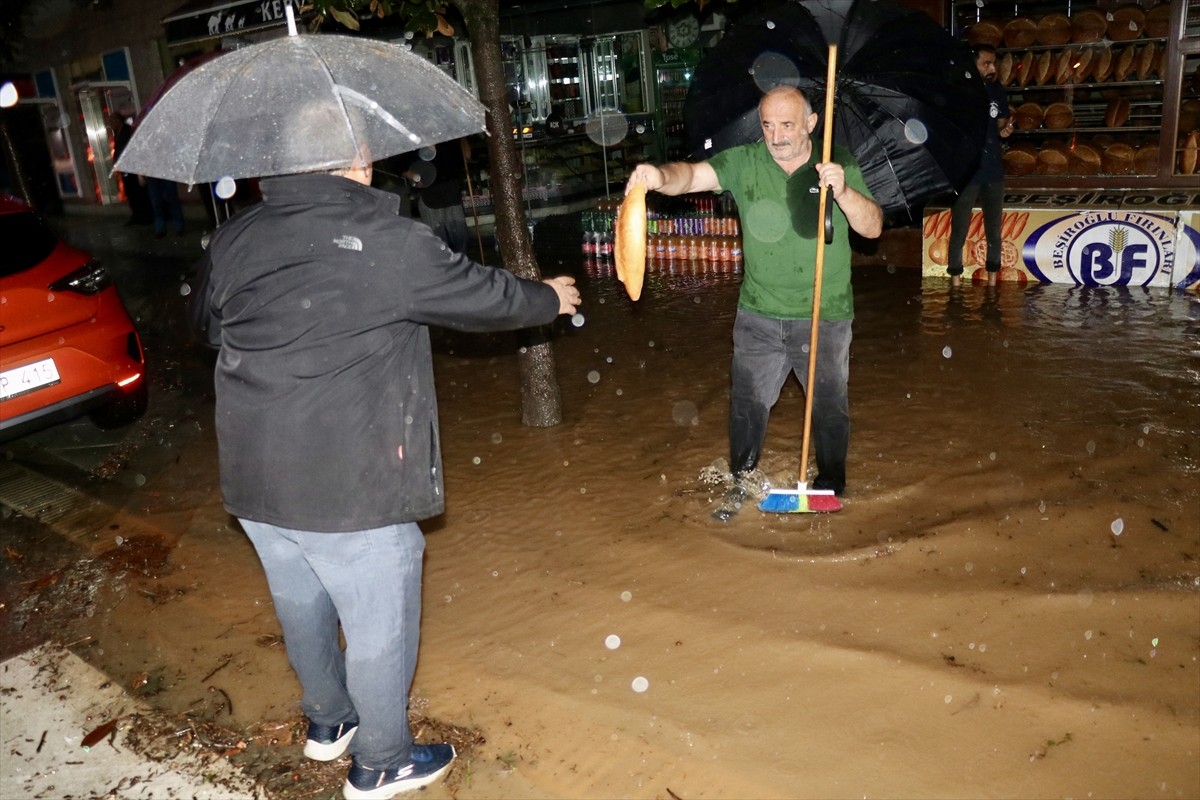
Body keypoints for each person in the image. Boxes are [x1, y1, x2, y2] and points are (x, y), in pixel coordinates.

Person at [189, 149, 580, 799]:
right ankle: (382, 759)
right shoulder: (389, 242)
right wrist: (548, 298)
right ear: (358, 165)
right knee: (378, 616)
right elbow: (483, 298)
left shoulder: (235, 237)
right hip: (348, 479)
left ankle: (329, 721)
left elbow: (205, 326)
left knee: (301, 601)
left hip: (254, 472)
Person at [626, 86, 882, 518]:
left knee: (829, 408)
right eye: (767, 125)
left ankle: (831, 485)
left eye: (787, 125)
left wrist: (842, 192)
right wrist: (657, 177)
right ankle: (741, 481)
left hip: (825, 313)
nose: (776, 136)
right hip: (758, 314)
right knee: (746, 406)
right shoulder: (744, 162)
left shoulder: (838, 164)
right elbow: (690, 176)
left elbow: (873, 229)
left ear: (811, 124)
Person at [947, 43, 1014, 288]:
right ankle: (955, 282)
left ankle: (993, 282)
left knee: (994, 230)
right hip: (966, 171)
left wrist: (1006, 128)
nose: (992, 67)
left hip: (993, 168)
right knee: (960, 229)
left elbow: (1000, 123)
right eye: (986, 63)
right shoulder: (958, 90)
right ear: (973, 64)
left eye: (993, 63)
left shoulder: (996, 90)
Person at [408, 138, 470, 254]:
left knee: (460, 239)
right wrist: (412, 175)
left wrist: (462, 138)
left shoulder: (450, 138)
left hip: (451, 192)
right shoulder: (415, 140)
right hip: (429, 195)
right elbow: (403, 168)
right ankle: (443, 269)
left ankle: (460, 267)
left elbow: (466, 156)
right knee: (438, 242)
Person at [109, 113, 152, 226]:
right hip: (125, 168)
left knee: (137, 192)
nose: (111, 124)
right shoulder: (117, 133)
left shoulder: (127, 131)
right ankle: (137, 215)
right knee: (130, 192)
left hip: (131, 167)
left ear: (118, 120)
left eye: (113, 121)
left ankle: (145, 216)